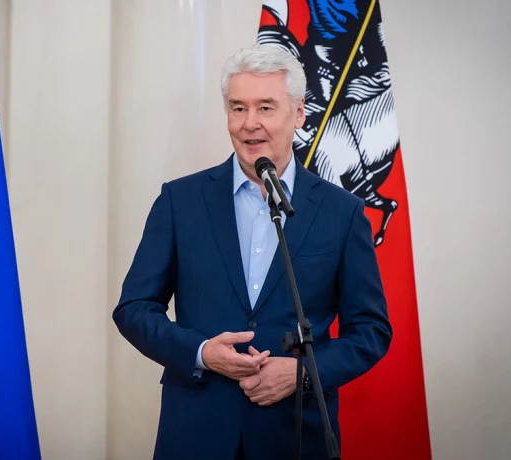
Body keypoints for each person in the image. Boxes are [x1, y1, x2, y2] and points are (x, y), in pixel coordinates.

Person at [112, 44, 392, 459]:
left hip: (295, 435)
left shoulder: (342, 212)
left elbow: (371, 330)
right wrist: (202, 353)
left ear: (299, 113)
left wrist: (302, 373)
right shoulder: (180, 201)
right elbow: (133, 308)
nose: (249, 124)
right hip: (196, 433)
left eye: (265, 108)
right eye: (238, 108)